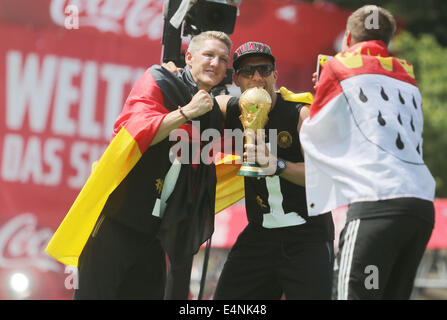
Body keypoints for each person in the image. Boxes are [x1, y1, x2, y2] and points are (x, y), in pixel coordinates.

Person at [45, 31, 240, 299]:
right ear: (190, 57)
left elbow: (251, 128)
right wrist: (186, 112)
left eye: (222, 59)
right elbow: (136, 132)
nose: (215, 63)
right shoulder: (160, 80)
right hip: (116, 222)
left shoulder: (212, 112)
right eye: (208, 55)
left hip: (154, 235)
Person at [300, 5, 436, 300]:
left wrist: (322, 89)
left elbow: (314, 132)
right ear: (389, 40)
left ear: (348, 37)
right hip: (421, 205)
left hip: (377, 203)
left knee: (353, 295)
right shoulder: (407, 75)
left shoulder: (337, 66)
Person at [212, 41, 335, 299]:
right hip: (259, 234)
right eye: (248, 72)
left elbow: (323, 177)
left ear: (275, 76)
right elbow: (209, 103)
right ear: (237, 79)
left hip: (307, 235)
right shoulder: (236, 109)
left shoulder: (299, 114)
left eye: (264, 70)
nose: (257, 78)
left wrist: (277, 165)